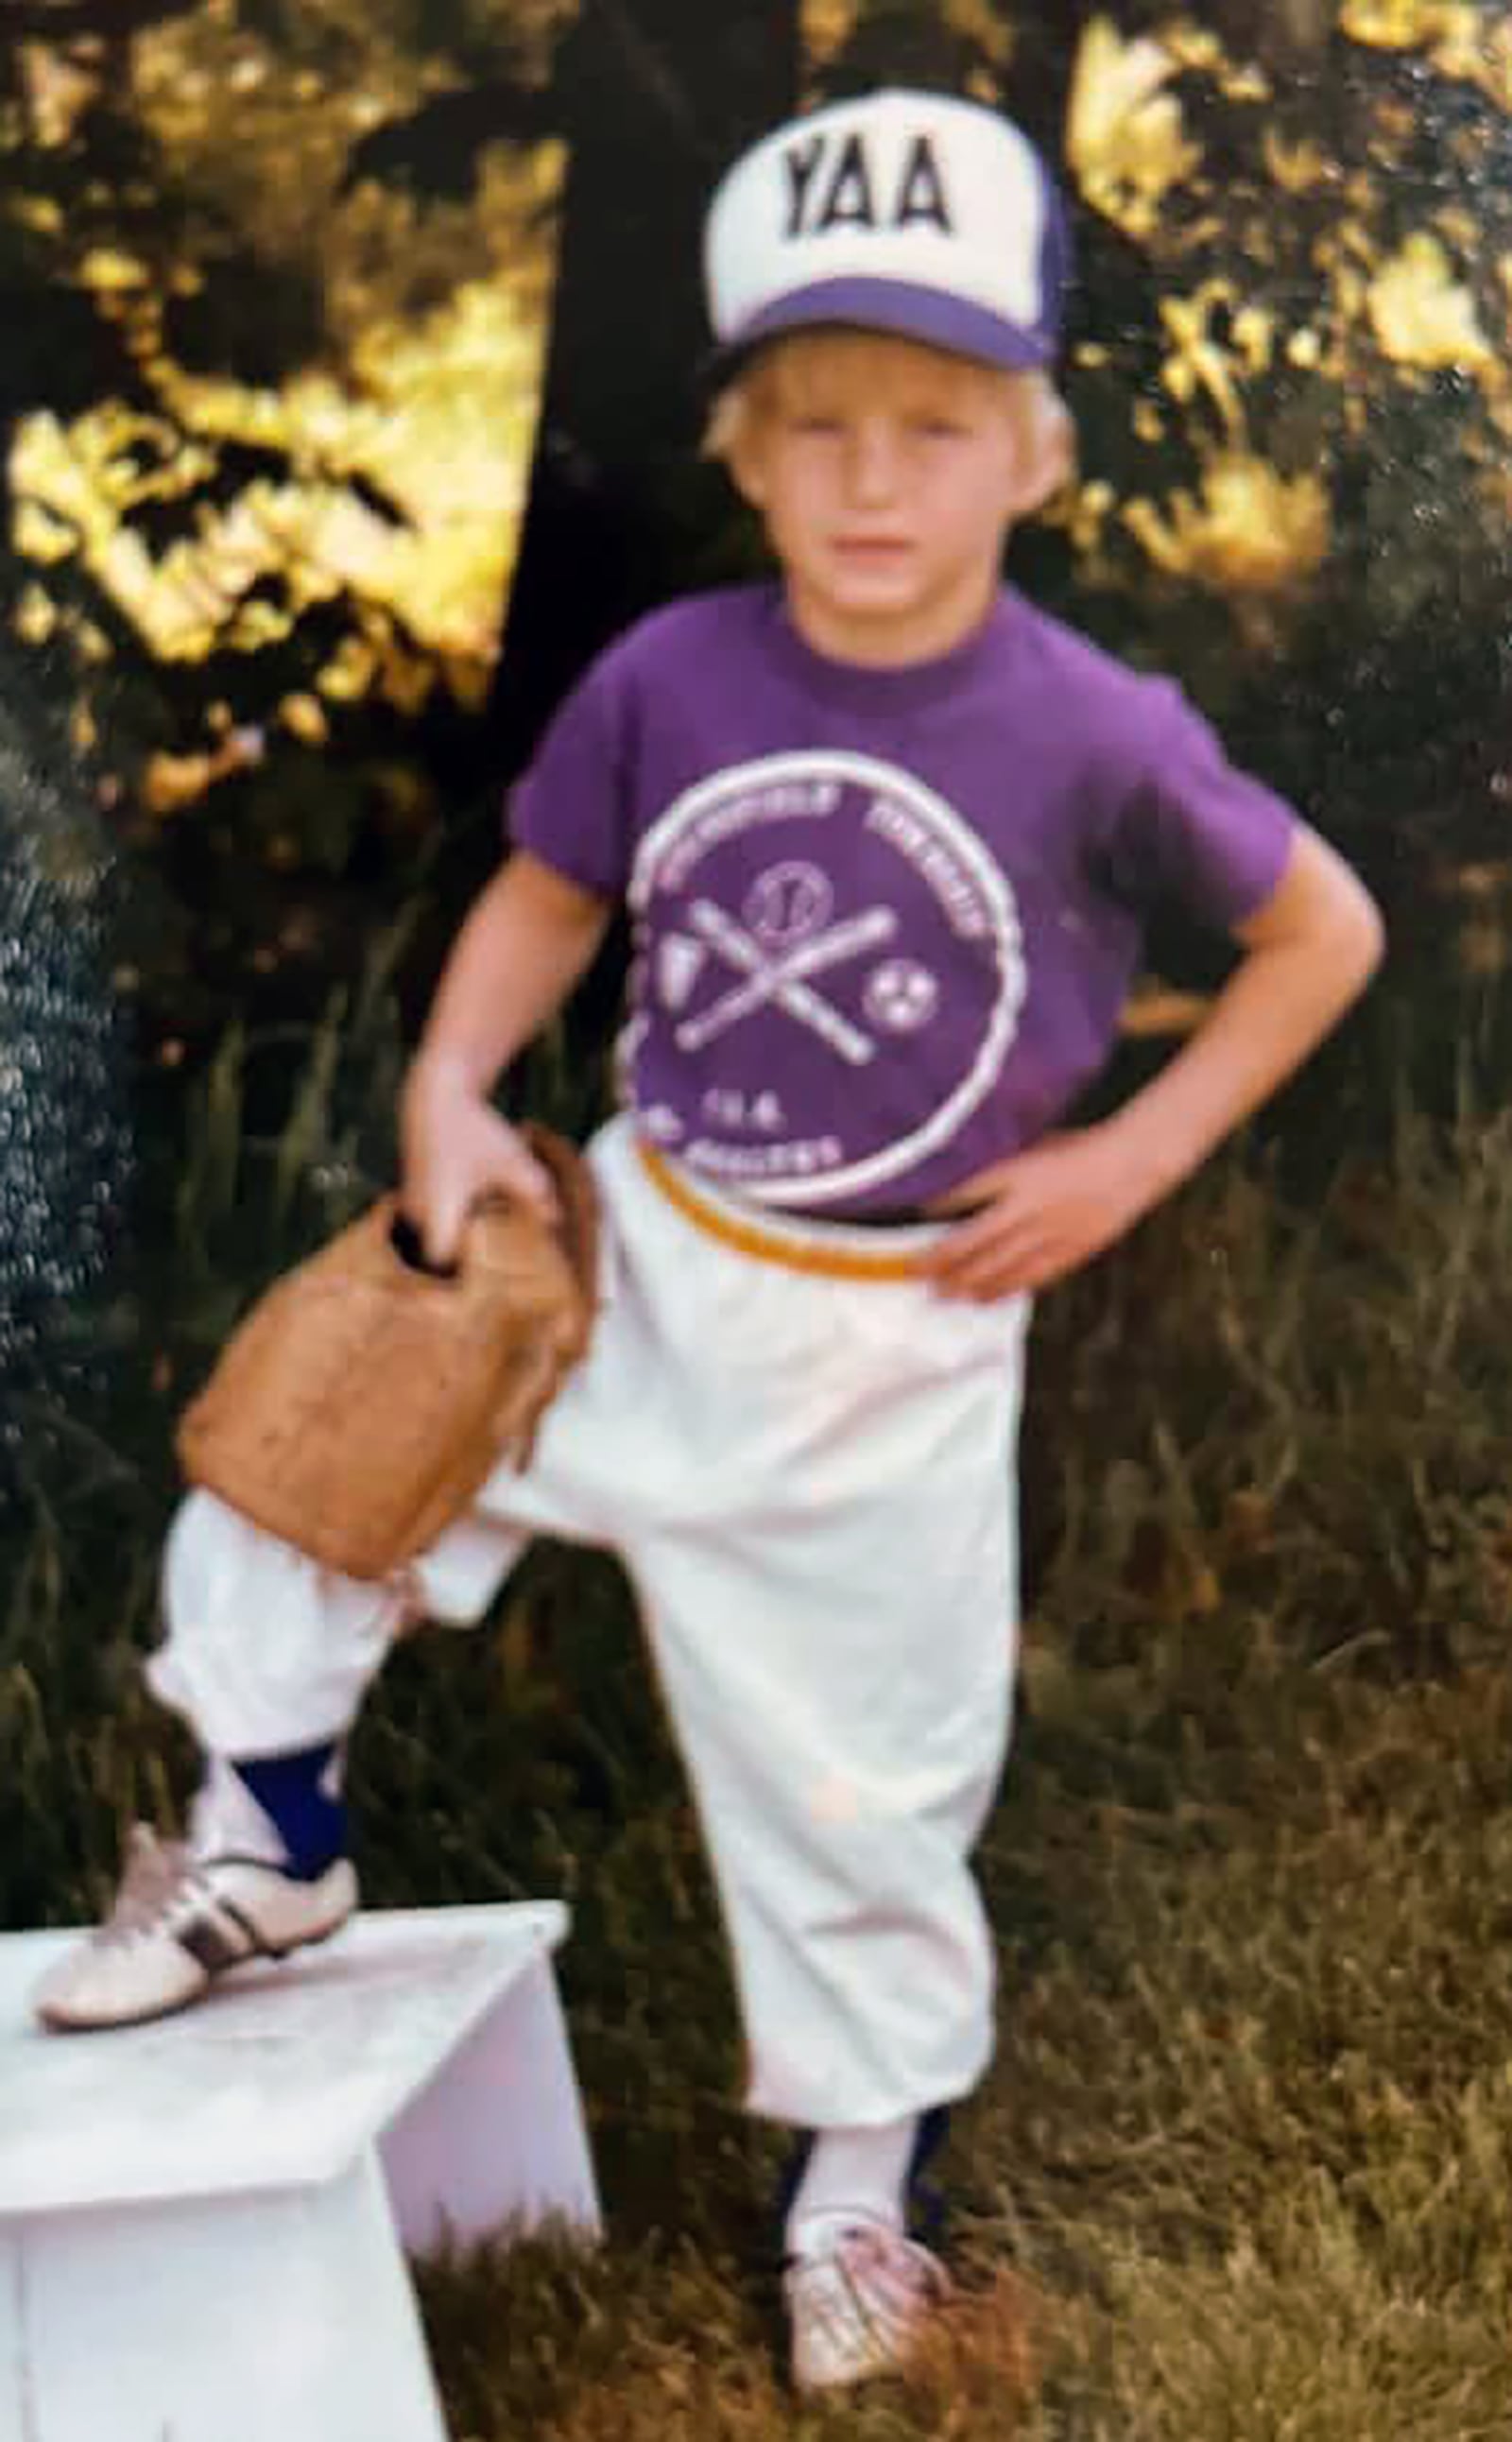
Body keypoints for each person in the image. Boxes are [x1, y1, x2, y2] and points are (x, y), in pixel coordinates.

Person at [34, 87, 1383, 2390]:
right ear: (745, 449)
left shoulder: (1089, 723)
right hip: (640, 1265)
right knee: (305, 1478)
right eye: (817, 423)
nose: (872, 478)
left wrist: (1121, 1163)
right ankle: (271, 1833)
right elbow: (551, 889)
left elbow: (1319, 928)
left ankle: (858, 2191)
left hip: (892, 1332)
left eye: (933, 425)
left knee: (864, 1792)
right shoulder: (676, 675)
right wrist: (454, 1087)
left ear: (1032, 454)